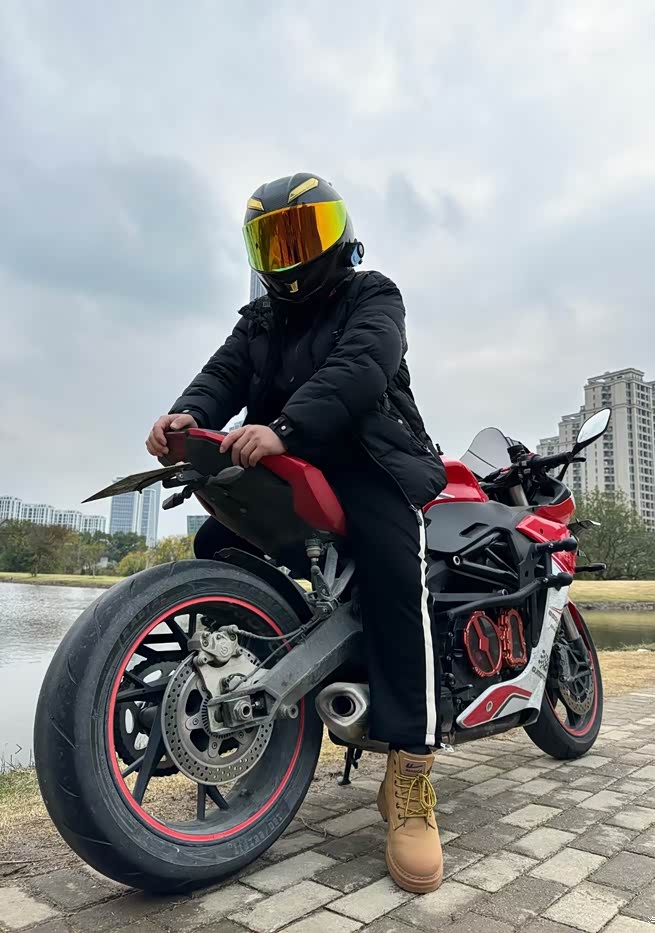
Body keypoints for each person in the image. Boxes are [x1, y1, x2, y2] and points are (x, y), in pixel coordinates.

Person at [146, 173, 447, 893]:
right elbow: (221, 376)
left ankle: (411, 773)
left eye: (302, 235)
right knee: (216, 547)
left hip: (370, 460)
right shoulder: (258, 321)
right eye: (271, 241)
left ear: (338, 236)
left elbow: (361, 367)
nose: (288, 255)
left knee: (395, 574)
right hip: (284, 464)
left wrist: (284, 427)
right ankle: (256, 690)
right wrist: (186, 415)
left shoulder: (374, 294)